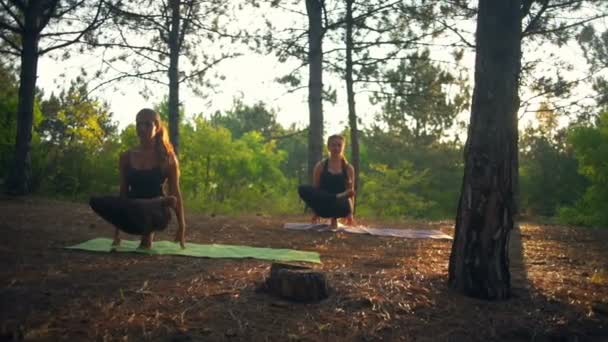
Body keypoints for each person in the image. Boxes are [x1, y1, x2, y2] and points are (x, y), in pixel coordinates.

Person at [89, 108, 186, 249]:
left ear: (157, 127)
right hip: (132, 212)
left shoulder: (168, 158)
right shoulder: (126, 157)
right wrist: (117, 230)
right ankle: (152, 203)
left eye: (147, 124)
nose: (142, 128)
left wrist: (181, 226)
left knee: (148, 212)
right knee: (96, 201)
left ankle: (155, 204)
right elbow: (123, 192)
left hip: (157, 215)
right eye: (138, 124)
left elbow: (175, 193)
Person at [298, 134, 356, 228]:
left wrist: (350, 213)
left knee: (343, 198)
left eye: (339, 145)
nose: (336, 148)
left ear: (343, 147)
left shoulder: (348, 168)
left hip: (340, 207)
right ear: (328, 147)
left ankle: (335, 212)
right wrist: (316, 212)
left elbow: (350, 193)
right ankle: (335, 197)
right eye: (333, 145)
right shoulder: (320, 166)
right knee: (302, 188)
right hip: (324, 205)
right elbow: (316, 190)